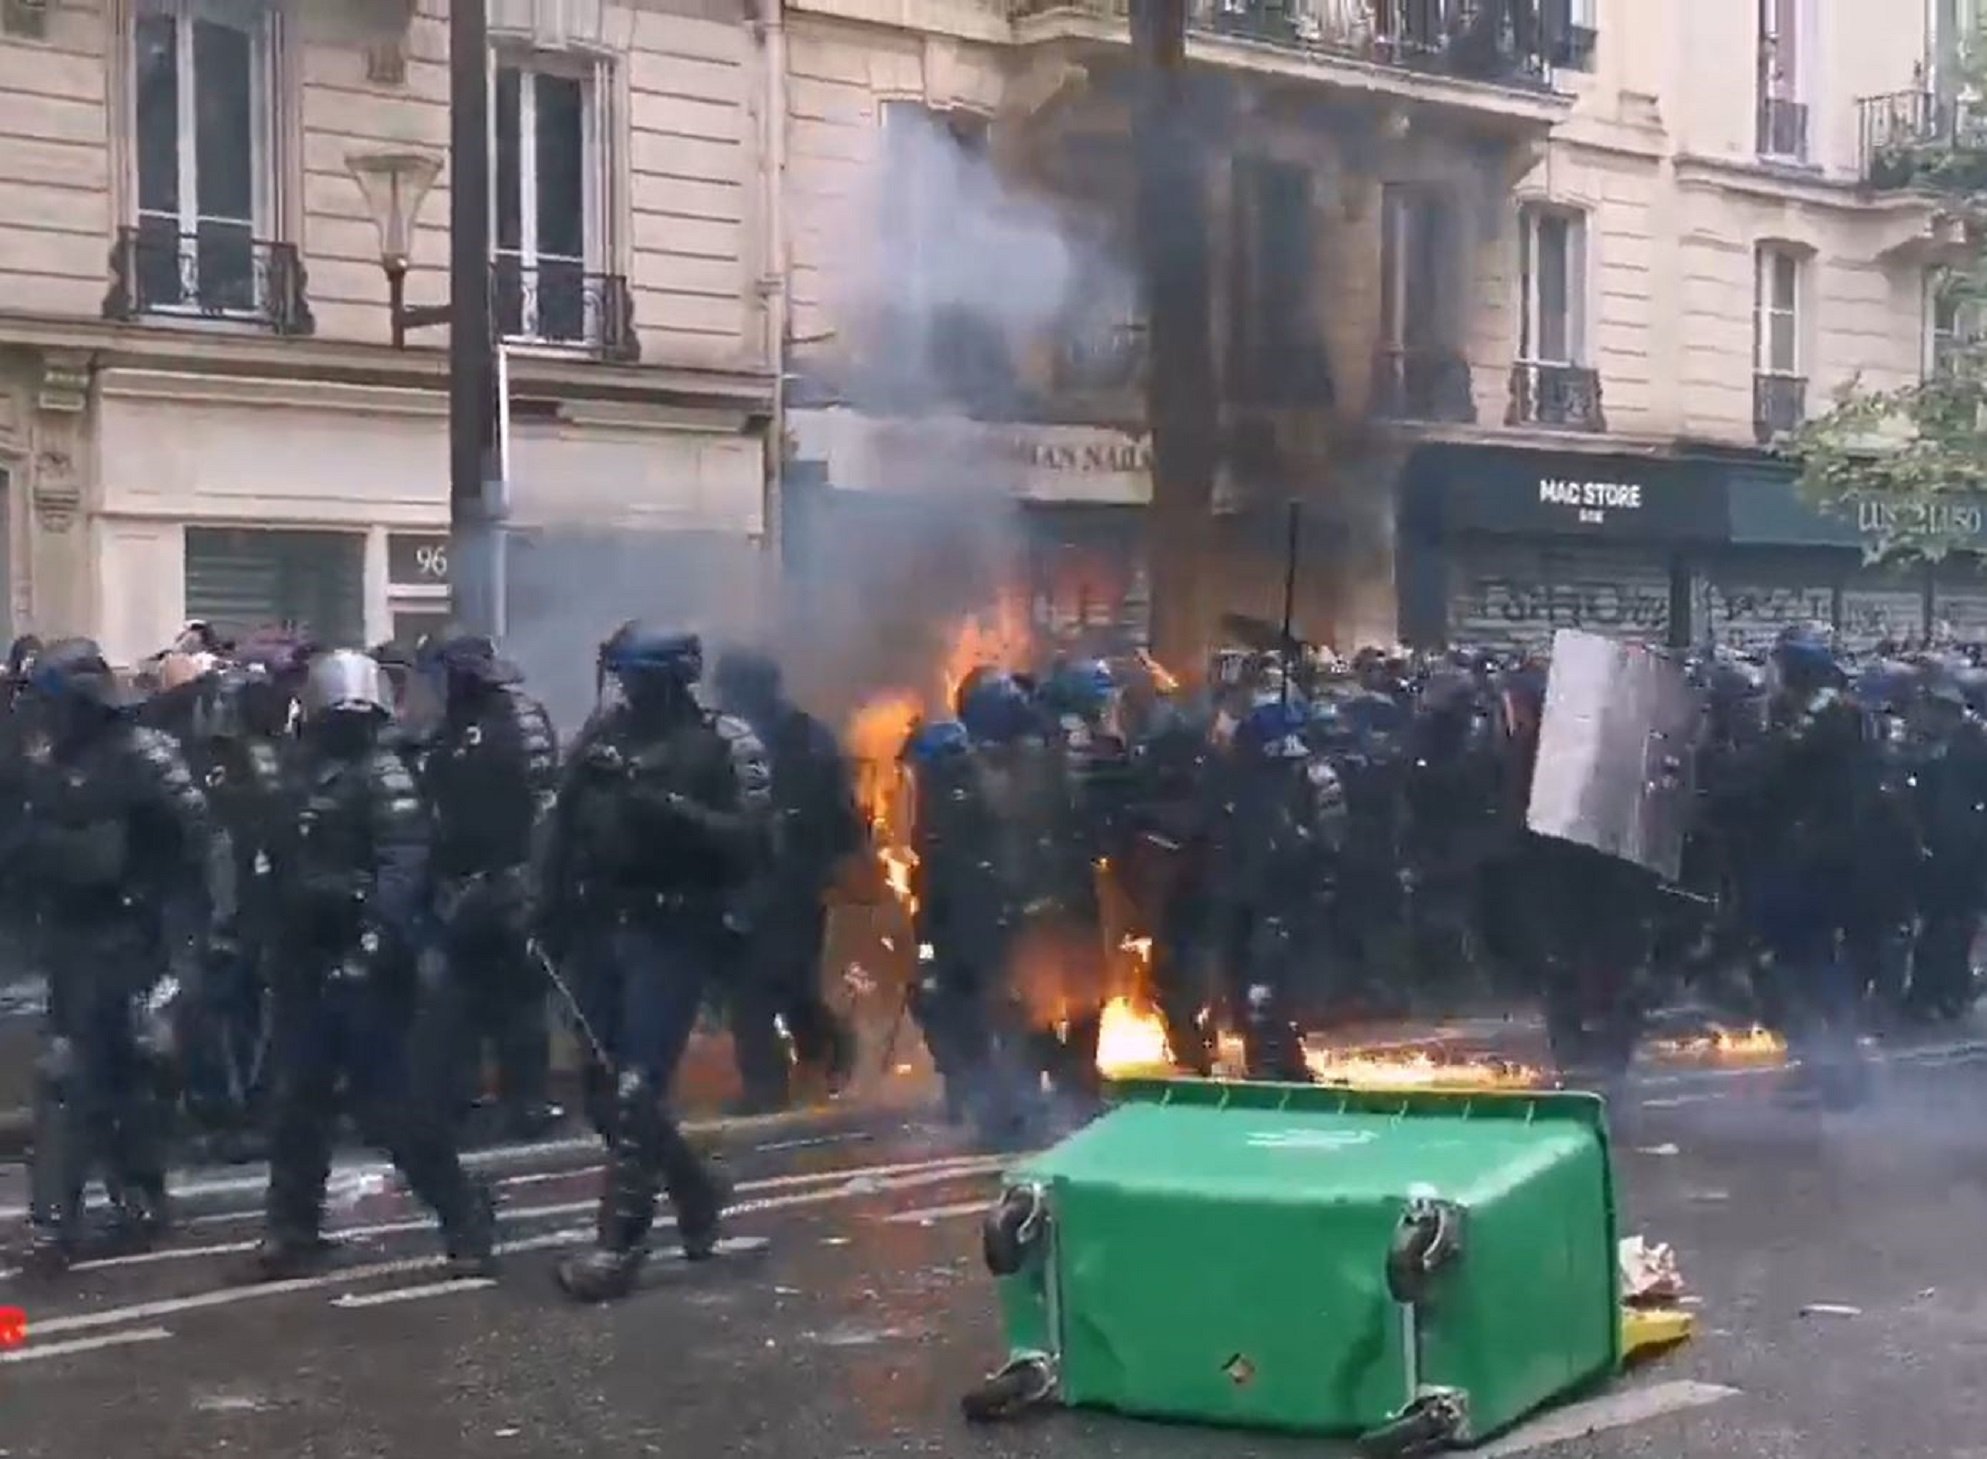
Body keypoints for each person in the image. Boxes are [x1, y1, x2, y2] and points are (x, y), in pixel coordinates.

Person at [538, 624, 772, 1302]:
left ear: (671, 679)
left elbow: (749, 841)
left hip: (674, 930)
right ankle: (696, 1190)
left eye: (638, 677)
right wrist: (541, 904)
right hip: (599, 926)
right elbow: (558, 822)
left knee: (640, 1088)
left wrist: (658, 802)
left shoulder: (724, 742)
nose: (625, 689)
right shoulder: (602, 734)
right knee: (606, 1094)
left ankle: (619, 1245)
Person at [248, 649, 494, 1281]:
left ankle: (463, 1217)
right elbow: (276, 859)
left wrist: (373, 945)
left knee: (391, 1108)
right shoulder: (302, 772)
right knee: (297, 1099)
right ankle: (292, 1226)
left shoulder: (384, 774)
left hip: (365, 960)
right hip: (306, 957)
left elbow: (403, 869)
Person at [11, 638, 213, 1276]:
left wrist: (184, 938)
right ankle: (60, 1218)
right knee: (69, 1078)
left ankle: (138, 1200)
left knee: (128, 1082)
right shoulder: (50, 764)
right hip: (74, 942)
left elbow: (198, 843)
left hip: (134, 942)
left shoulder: (144, 755)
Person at [418, 632, 563, 1138]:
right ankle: (463, 1100)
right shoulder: (446, 729)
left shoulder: (518, 719)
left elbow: (545, 805)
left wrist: (533, 885)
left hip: (511, 880)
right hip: (462, 887)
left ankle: (527, 1100)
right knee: (459, 1001)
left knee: (519, 1001)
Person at [712, 648, 860, 1113]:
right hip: (776, 878)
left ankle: (769, 1087)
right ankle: (825, 1055)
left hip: (786, 879)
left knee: (755, 989)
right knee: (788, 984)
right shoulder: (805, 735)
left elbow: (840, 817)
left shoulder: (796, 740)